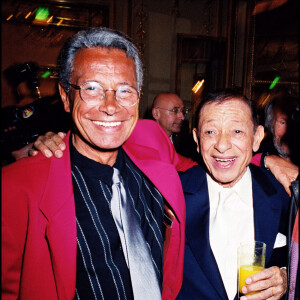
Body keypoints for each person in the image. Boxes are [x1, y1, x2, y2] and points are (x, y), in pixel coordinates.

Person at [2, 27, 194, 300]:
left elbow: (213, 167)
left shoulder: (159, 174)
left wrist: (269, 161)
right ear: (67, 97)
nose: (111, 106)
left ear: (138, 97)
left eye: (125, 91)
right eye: (92, 89)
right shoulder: (15, 189)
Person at [176, 90, 290, 300]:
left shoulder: (283, 194)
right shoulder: (172, 195)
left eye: (237, 131)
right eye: (210, 132)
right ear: (197, 139)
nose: (222, 144)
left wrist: (285, 278)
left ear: (256, 138)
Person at [258, 91, 299, 166]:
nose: (288, 132)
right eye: (283, 123)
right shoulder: (259, 153)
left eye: (294, 123)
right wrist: (266, 160)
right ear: (271, 125)